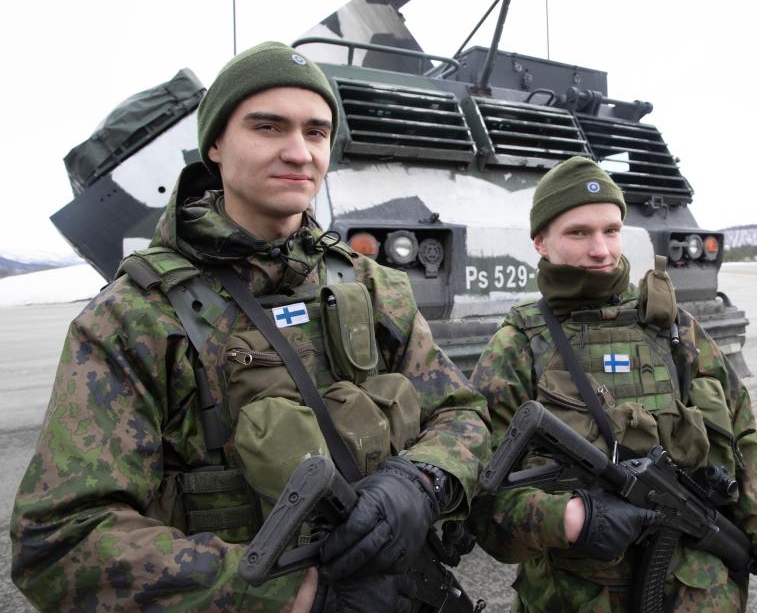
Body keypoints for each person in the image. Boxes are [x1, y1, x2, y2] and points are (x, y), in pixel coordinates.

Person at [10, 42, 490, 613]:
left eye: (316, 133)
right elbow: (61, 540)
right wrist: (286, 594)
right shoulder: (133, 318)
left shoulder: (374, 286)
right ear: (215, 143)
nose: (298, 152)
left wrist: (421, 482)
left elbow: (462, 414)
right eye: (268, 127)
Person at [468, 157, 757, 612]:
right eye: (578, 233)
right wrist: (570, 519)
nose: (601, 250)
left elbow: (747, 462)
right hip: (573, 597)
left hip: (703, 595)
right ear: (540, 242)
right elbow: (480, 499)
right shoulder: (517, 345)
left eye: (611, 230)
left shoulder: (673, 330)